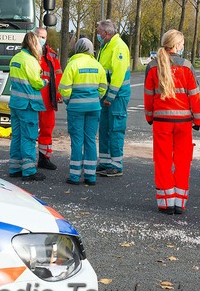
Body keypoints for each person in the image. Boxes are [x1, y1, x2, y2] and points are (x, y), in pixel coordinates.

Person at [144, 29, 200, 215]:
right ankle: (179, 202)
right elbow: (194, 96)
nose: (183, 47)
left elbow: (148, 96)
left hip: (161, 121)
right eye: (182, 44)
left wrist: (149, 117)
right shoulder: (187, 66)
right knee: (183, 161)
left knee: (162, 160)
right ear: (177, 46)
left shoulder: (153, 66)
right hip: (184, 122)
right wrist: (197, 119)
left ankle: (165, 203)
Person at [58, 38, 107, 186]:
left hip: (76, 108)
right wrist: (94, 98)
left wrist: (69, 100)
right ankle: (90, 176)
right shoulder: (98, 66)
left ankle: (74, 176)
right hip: (93, 107)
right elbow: (103, 87)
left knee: (77, 141)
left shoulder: (72, 64)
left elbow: (64, 88)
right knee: (90, 140)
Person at [8, 31, 47, 181]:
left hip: (16, 103)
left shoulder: (15, 58)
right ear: (34, 44)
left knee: (17, 136)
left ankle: (15, 167)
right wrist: (44, 82)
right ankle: (29, 170)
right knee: (29, 137)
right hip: (28, 104)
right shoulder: (30, 61)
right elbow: (36, 82)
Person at [95, 19, 131, 177]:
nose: (97, 35)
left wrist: (110, 96)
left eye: (99, 32)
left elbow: (117, 75)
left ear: (106, 33)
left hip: (116, 96)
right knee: (104, 128)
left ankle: (116, 165)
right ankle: (105, 162)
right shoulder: (106, 46)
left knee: (115, 129)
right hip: (106, 95)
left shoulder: (119, 47)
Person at [34, 27, 63, 170]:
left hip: (47, 99)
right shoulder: (29, 55)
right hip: (32, 97)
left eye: (43, 37)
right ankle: (24, 159)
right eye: (39, 36)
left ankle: (44, 158)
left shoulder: (52, 55)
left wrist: (58, 95)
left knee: (47, 128)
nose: (41, 39)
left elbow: (58, 77)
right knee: (29, 129)